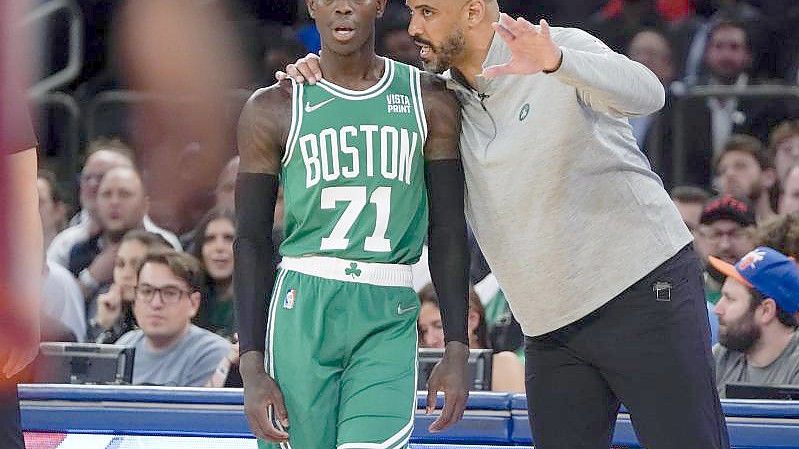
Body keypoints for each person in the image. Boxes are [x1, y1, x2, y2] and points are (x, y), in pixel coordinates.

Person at [281, 1, 730, 448]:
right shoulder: (438, 100)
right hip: (549, 329)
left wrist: (557, 63)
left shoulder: (558, 48)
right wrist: (314, 76)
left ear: (473, 12)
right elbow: (365, 101)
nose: (413, 26)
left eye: (427, 12)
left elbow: (650, 93)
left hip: (643, 294)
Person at [235, 0, 470, 447]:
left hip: (388, 307)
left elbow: (447, 228)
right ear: (312, 6)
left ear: (380, 5)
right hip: (303, 305)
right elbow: (250, 240)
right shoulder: (272, 107)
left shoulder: (429, 99)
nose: (343, 7)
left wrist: (456, 345)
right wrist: (251, 364)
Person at [116, 250, 230, 387]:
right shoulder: (125, 344)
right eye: (147, 291)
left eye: (169, 293)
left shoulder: (213, 353)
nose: (156, 303)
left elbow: (192, 408)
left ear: (194, 303)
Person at [710, 247, 799, 397]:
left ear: (766, 311)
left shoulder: (795, 363)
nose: (717, 309)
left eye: (730, 299)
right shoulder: (722, 356)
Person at [417, 283, 525, 392]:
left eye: (439, 326)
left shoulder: (502, 366)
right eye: (424, 331)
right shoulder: (419, 374)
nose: (429, 340)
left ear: (472, 319)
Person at [87, 230, 171, 343]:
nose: (125, 274)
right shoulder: (113, 313)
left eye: (136, 264)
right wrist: (102, 324)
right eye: (120, 264)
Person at [191, 209, 236, 338]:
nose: (219, 247)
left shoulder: (263, 301)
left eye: (229, 238)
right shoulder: (187, 301)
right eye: (210, 239)